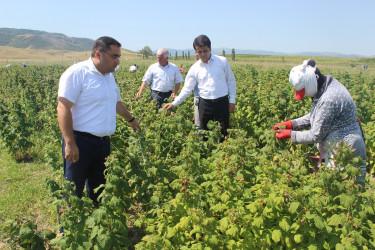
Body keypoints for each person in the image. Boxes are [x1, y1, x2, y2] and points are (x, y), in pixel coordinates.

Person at [57, 36, 141, 203]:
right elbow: (63, 107)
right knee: (72, 190)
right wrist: (70, 143)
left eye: (119, 57)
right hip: (80, 142)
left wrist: (131, 119)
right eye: (114, 56)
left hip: (103, 144)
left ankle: (98, 222)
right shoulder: (77, 73)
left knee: (99, 189)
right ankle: (67, 228)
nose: (117, 61)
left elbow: (116, 102)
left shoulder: (109, 76)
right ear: (98, 53)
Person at [273, 59, 366, 180]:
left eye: (303, 91)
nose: (304, 95)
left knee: (346, 189)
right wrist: (292, 124)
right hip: (339, 147)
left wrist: (291, 135)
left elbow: (316, 135)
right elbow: (318, 114)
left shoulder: (329, 98)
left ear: (311, 82)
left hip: (346, 150)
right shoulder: (328, 85)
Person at [163, 35, 236, 140]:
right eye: (199, 51)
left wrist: (232, 101)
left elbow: (231, 81)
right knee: (204, 135)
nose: (202, 54)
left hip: (222, 103)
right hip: (205, 104)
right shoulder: (195, 68)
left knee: (223, 133)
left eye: (205, 51)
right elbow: (187, 89)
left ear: (210, 49)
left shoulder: (222, 61)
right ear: (196, 51)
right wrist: (174, 103)